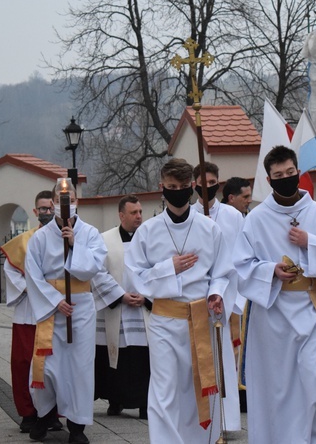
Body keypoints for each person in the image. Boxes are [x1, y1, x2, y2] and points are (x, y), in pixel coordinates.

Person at [234, 146, 316, 444]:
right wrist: (271, 270)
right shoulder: (257, 218)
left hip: (313, 310)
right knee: (280, 387)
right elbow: (242, 265)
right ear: (269, 179)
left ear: (298, 172)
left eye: (290, 173)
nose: (285, 178)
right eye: (278, 175)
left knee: (315, 380)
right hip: (273, 315)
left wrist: (310, 241)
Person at [125, 158, 234, 443]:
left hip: (201, 317)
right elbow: (135, 276)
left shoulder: (209, 228)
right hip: (164, 320)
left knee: (199, 386)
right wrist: (168, 268)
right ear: (162, 188)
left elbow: (223, 272)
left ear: (192, 187)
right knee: (164, 389)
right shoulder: (147, 231)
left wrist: (216, 294)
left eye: (183, 187)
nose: (177, 191)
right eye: (171, 187)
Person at [24, 182, 124, 444]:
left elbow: (93, 267)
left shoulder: (90, 234)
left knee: (79, 367)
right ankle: (45, 414)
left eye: (70, 196)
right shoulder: (40, 237)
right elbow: (33, 275)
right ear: (54, 199)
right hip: (52, 309)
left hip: (80, 308)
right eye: (60, 197)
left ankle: (77, 425)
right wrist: (55, 301)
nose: (65, 201)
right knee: (47, 367)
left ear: (78, 200)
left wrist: (74, 244)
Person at [1, 190, 62, 433]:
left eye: (50, 207)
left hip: (54, 310)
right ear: (35, 212)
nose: (47, 212)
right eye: (42, 209)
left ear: (56, 208)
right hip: (28, 312)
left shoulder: (64, 239)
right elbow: (11, 270)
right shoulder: (21, 242)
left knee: (54, 363)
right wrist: (33, 287)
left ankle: (52, 413)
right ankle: (28, 414)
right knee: (23, 362)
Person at [192, 162, 244, 432]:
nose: (208, 187)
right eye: (203, 182)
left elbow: (239, 256)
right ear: (194, 185)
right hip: (196, 296)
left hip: (226, 295)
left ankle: (226, 420)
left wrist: (226, 294)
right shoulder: (188, 216)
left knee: (224, 358)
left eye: (213, 182)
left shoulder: (233, 216)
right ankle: (204, 419)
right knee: (200, 359)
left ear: (218, 184)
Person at [94, 195, 150, 420]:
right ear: (121, 215)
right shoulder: (104, 240)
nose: (139, 216)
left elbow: (159, 270)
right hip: (116, 308)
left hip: (143, 310)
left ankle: (146, 402)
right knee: (115, 359)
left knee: (142, 359)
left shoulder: (150, 238)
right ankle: (115, 401)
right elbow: (96, 272)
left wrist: (146, 297)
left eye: (140, 212)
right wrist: (120, 295)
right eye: (134, 212)